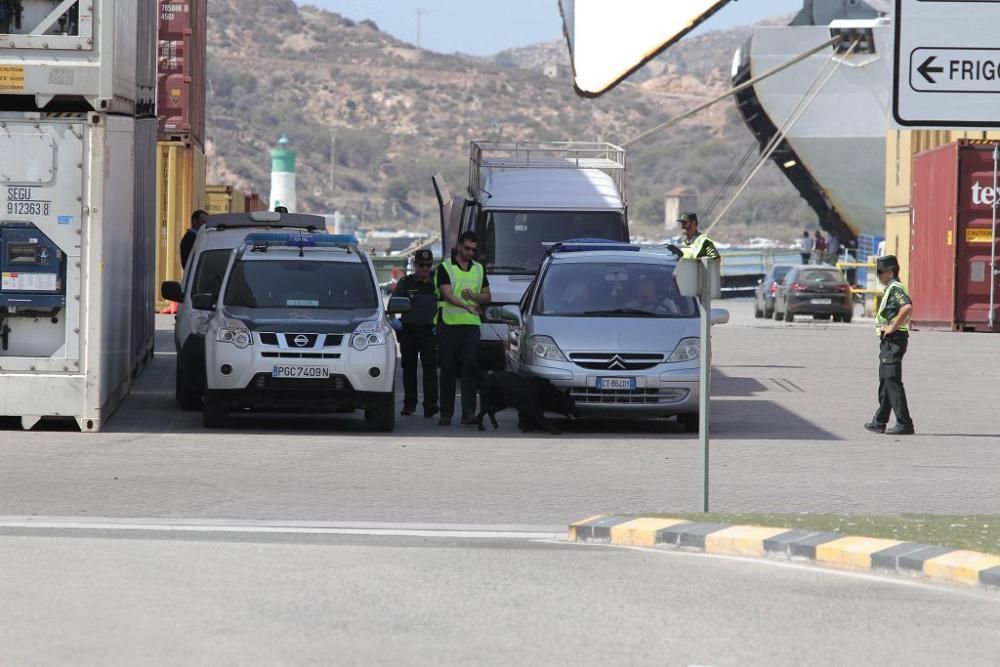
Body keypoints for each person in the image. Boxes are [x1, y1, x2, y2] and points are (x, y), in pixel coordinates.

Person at [435, 231, 491, 426]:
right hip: (449, 325)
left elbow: (487, 297)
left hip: (471, 327)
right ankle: (446, 413)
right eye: (467, 248)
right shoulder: (445, 268)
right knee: (448, 370)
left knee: (469, 368)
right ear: (459, 246)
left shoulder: (479, 269)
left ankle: (468, 414)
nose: (470, 252)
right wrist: (465, 305)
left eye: (473, 250)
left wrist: (474, 298)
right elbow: (447, 294)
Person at [864, 255, 915, 435]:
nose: (878, 276)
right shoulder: (890, 288)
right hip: (889, 341)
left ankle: (904, 423)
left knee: (892, 380)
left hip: (894, 340)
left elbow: (907, 307)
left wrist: (892, 327)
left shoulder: (896, 288)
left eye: (880, 272)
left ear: (891, 272)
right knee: (886, 380)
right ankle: (879, 421)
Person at [392, 249, 439, 418]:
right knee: (409, 370)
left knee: (430, 370)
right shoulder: (406, 283)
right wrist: (394, 322)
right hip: (409, 332)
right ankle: (409, 404)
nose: (425, 268)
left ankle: (431, 405)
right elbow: (392, 305)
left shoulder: (436, 284)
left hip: (429, 332)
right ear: (415, 265)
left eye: (428, 265)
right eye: (421, 265)